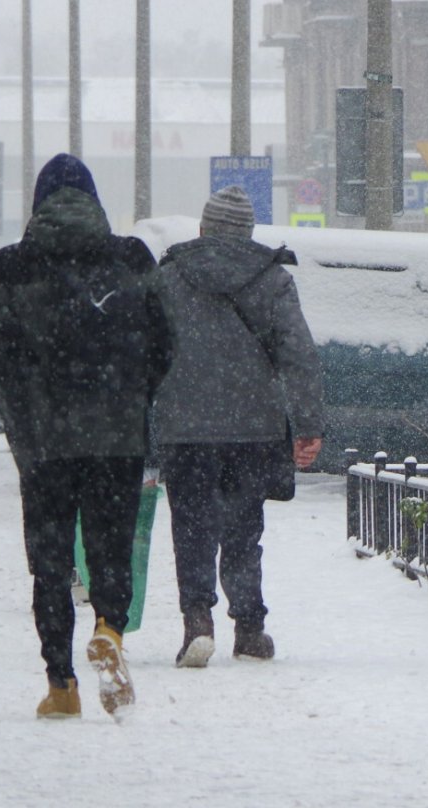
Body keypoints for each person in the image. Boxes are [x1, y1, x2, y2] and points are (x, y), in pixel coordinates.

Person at [0, 154, 173, 720]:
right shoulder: (131, 257)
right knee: (111, 546)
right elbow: (164, 342)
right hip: (116, 436)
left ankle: (61, 684)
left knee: (51, 563)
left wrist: (23, 407)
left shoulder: (12, 265)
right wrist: (132, 395)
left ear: (38, 203)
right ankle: (109, 627)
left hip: (44, 443)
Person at [152, 186, 324, 668]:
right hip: (254, 428)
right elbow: (299, 354)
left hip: (185, 428)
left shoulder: (168, 277)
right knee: (244, 530)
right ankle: (249, 629)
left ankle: (197, 623)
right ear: (248, 233)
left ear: (203, 229)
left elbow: (146, 355)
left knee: (191, 528)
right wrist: (308, 424)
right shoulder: (272, 278)